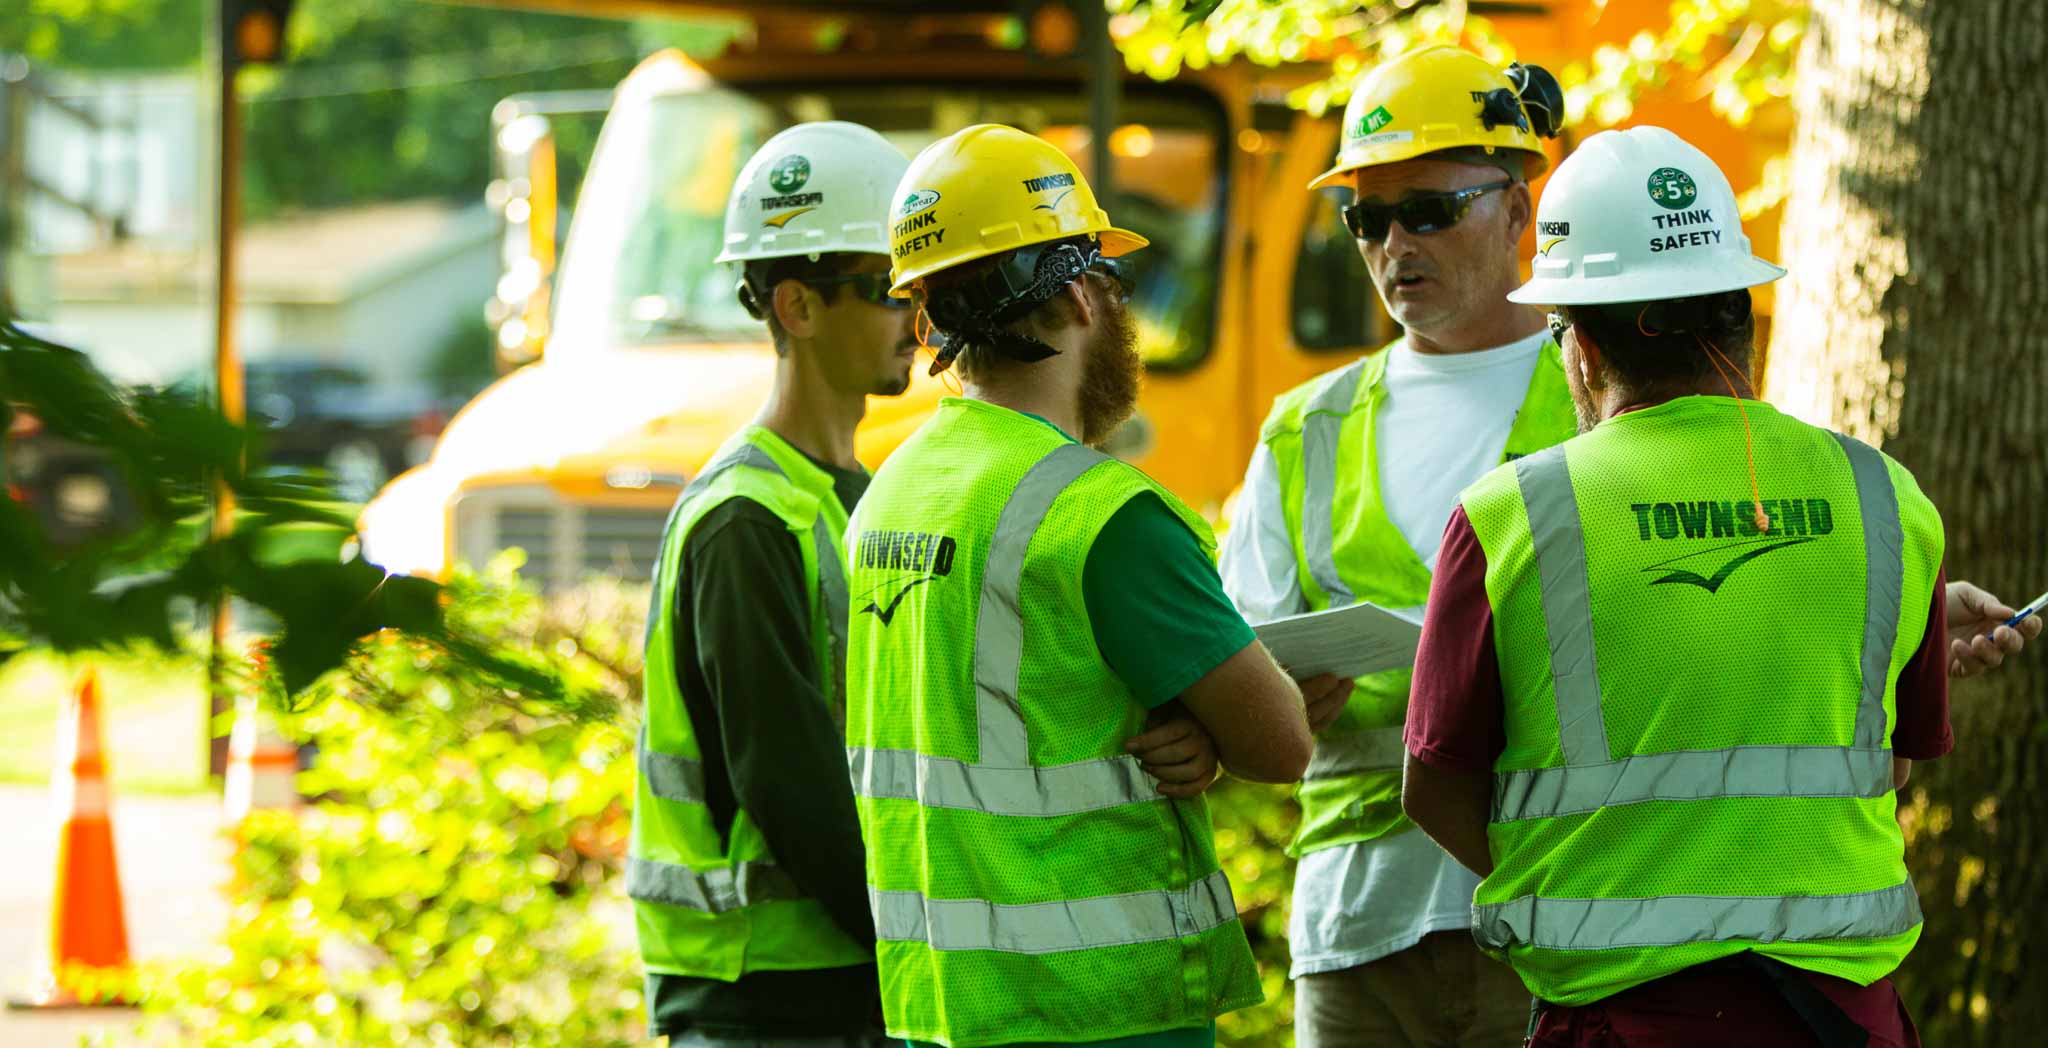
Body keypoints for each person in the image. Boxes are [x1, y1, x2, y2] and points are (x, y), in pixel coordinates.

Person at [1402, 125, 1948, 1046]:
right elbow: (1888, 761)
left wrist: (1592, 877)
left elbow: (1434, 787)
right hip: (1842, 1018)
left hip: (1623, 1019)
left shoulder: (1511, 516)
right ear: (1739, 312)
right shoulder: (1885, 497)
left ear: (1579, 345)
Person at [843, 123, 1314, 1048]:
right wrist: (1222, 733)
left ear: (932, 320)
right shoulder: (1102, 514)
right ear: (1083, 295)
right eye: (1113, 277)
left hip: (939, 1002)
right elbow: (1281, 742)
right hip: (1100, 1008)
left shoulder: (887, 493)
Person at [1218, 45, 1574, 1046]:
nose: (1390, 246)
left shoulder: (1602, 398)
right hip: (1354, 927)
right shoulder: (1304, 428)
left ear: (1517, 206)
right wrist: (1262, 706)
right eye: (1365, 220)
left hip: (1549, 912)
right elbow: (1225, 678)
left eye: (1425, 210)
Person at [629, 121, 915, 1047]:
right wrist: (919, 931)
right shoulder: (746, 520)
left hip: (834, 984)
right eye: (886, 289)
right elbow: (786, 779)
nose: (915, 317)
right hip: (763, 995)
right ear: (797, 306)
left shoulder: (861, 501)